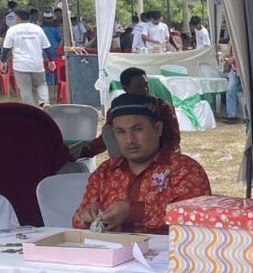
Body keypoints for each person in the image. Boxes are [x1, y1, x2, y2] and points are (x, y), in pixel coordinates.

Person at [72, 93, 210, 234]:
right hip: (111, 248)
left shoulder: (185, 170)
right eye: (121, 132)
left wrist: (135, 212)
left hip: (171, 248)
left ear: (158, 129)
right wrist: (87, 217)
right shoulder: (104, 173)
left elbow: (198, 218)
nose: (129, 140)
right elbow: (77, 221)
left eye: (138, 129)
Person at [77, 67, 181, 160]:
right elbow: (106, 139)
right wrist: (82, 152)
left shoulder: (162, 107)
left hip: (161, 158)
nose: (145, 89)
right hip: (131, 161)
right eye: (139, 86)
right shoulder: (117, 110)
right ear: (126, 88)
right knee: (107, 130)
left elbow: (172, 137)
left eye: (146, 85)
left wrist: (160, 161)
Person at [2, 9, 54, 107]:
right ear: (29, 17)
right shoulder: (38, 29)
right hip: (37, 63)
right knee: (41, 84)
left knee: (25, 88)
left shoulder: (12, 30)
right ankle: (44, 102)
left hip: (20, 65)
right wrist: (51, 61)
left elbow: (6, 48)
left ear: (18, 18)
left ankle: (30, 108)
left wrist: (3, 61)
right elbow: (47, 47)